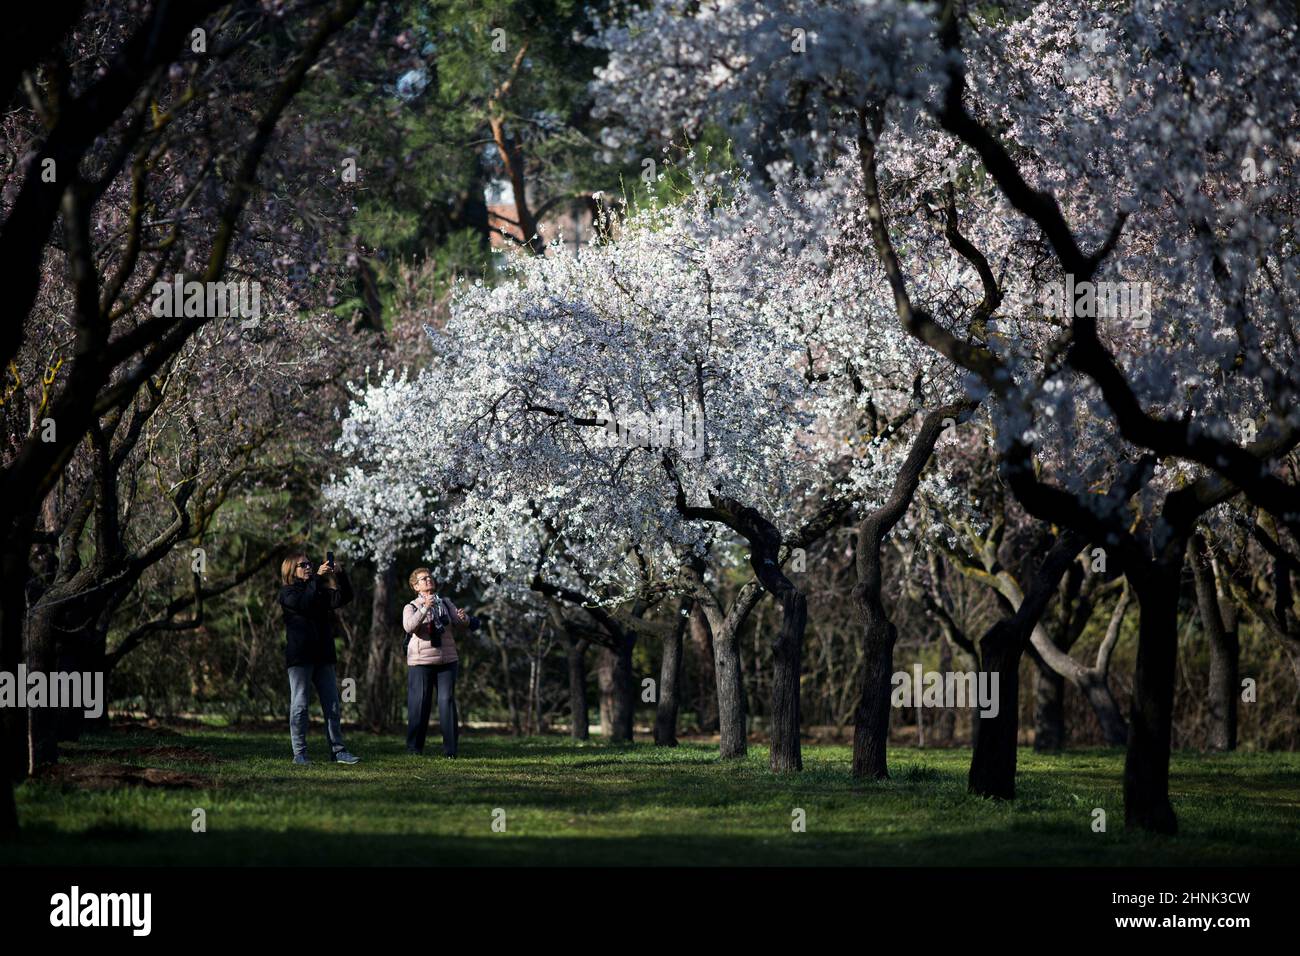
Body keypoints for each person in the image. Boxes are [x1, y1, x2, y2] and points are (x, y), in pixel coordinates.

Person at [279, 551, 360, 765]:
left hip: (324, 656)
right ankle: (300, 753)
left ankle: (338, 751)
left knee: (332, 705)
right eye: (303, 565)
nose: (308, 567)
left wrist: (340, 574)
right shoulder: (288, 593)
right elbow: (304, 603)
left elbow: (345, 597)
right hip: (300, 658)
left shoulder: (319, 591)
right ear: (291, 570)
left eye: (310, 564)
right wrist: (316, 577)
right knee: (300, 706)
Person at [404, 568, 474, 756]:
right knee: (420, 705)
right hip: (421, 662)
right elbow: (409, 626)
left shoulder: (445, 602)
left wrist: (463, 618)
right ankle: (414, 748)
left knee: (447, 702)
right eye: (422, 579)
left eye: (429, 577)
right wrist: (425, 607)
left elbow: (459, 623)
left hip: (447, 660)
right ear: (415, 586)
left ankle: (450, 750)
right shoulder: (411, 606)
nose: (428, 580)